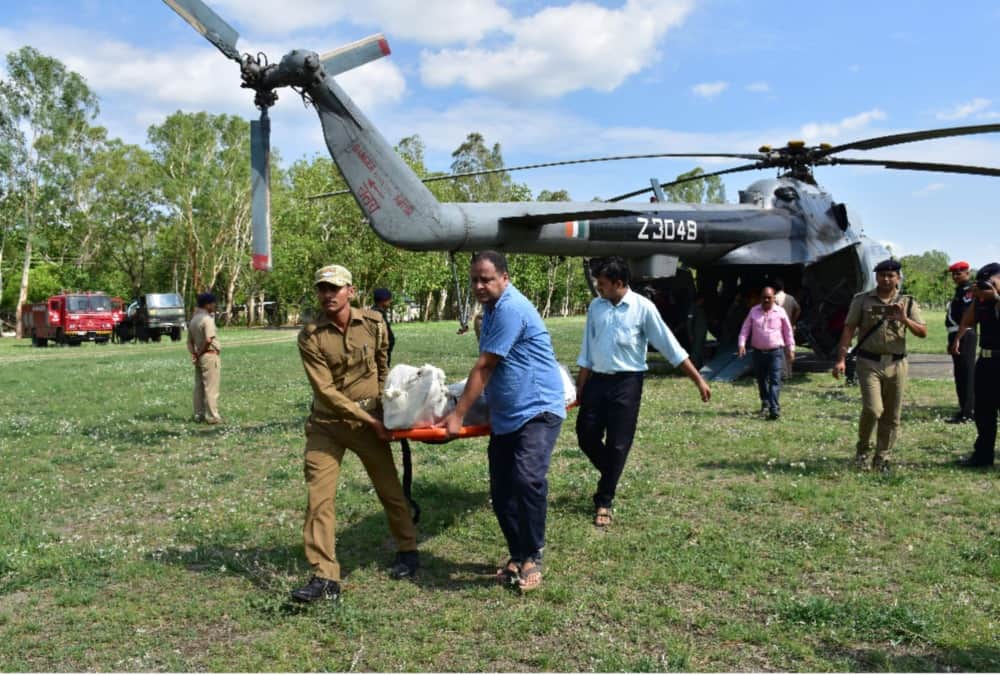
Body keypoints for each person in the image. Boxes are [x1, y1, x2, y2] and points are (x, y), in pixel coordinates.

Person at [437, 251, 565, 592]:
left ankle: (532, 556)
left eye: (487, 279)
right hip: (507, 414)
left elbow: (485, 366)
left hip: (538, 408)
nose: (479, 286)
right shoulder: (491, 310)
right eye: (474, 280)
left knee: (527, 478)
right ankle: (517, 552)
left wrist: (458, 414)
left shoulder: (509, 308)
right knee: (502, 488)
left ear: (504, 278)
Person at [291, 264, 418, 603]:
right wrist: (369, 417)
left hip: (370, 421)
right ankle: (325, 577)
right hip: (327, 426)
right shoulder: (310, 335)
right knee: (319, 501)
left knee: (389, 489)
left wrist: (385, 408)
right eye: (322, 289)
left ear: (351, 290)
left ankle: (408, 550)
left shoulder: (374, 324)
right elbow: (327, 392)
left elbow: (381, 366)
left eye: (335, 288)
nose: (328, 295)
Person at [575, 257, 711, 527]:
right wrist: (580, 386)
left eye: (602, 284)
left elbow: (669, 345)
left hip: (627, 383)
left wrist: (698, 380)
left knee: (618, 443)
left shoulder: (643, 308)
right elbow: (587, 350)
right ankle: (612, 472)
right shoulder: (596, 307)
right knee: (585, 435)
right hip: (597, 382)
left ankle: (604, 500)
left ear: (619, 283)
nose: (598, 289)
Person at [832, 259, 927, 472]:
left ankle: (882, 458)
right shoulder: (862, 300)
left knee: (892, 415)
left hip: (897, 364)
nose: (886, 279)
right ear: (876, 277)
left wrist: (904, 319)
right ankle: (862, 451)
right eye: (882, 274)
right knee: (873, 409)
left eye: (890, 275)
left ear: (898, 278)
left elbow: (922, 332)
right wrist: (840, 359)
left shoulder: (908, 302)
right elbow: (849, 329)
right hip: (869, 362)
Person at [950, 262, 1000, 468]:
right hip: (986, 361)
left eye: (993, 281)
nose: (990, 286)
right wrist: (977, 299)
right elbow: (968, 321)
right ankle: (983, 456)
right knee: (984, 411)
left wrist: (996, 298)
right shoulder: (981, 301)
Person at [738, 286, 795, 420]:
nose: (766, 300)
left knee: (775, 380)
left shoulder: (780, 312)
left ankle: (774, 408)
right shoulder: (753, 311)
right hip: (758, 353)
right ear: (760, 298)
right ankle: (765, 402)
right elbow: (745, 329)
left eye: (769, 297)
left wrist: (790, 349)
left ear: (774, 298)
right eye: (764, 297)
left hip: (776, 352)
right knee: (762, 380)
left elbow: (788, 332)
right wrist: (741, 344)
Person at [945, 261, 976, 424]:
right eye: (954, 274)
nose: (955, 276)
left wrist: (957, 339)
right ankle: (963, 408)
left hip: (965, 334)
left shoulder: (968, 291)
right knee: (960, 374)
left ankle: (969, 412)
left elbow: (967, 317)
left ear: (967, 273)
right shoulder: (960, 290)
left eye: (959, 273)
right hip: (956, 333)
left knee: (967, 374)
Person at [187, 292, 222, 424]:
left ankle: (198, 414)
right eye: (213, 303)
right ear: (207, 305)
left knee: (199, 387)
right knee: (211, 387)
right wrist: (201, 352)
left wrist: (195, 354)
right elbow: (208, 339)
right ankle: (213, 416)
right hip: (209, 355)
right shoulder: (207, 319)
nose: (215, 305)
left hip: (200, 357)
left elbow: (189, 342)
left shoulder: (194, 319)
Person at [773, 278, 801, 379]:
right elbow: (798, 309)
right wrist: (793, 321)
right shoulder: (790, 298)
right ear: (783, 287)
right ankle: (789, 373)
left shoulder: (774, 299)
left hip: (778, 327)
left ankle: (783, 374)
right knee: (789, 349)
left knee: (780, 351)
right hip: (789, 326)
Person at [371, 288, 396, 365]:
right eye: (389, 299)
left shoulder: (376, 313)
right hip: (380, 357)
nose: (390, 301)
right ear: (383, 301)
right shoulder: (377, 315)